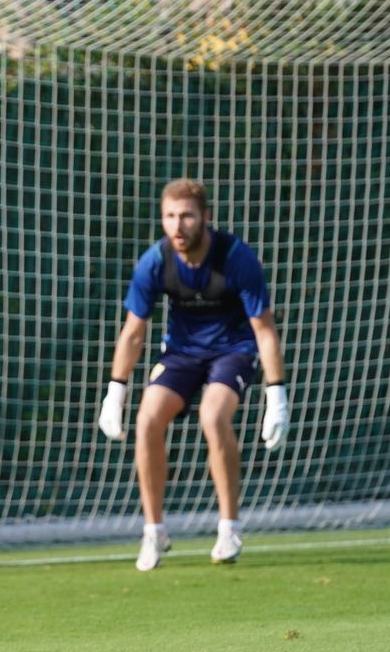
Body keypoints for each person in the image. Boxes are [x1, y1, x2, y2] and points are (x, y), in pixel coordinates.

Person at [98, 178, 289, 572]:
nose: (177, 225)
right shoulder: (155, 260)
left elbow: (264, 330)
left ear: (205, 217)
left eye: (186, 215)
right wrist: (115, 392)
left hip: (233, 351)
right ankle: (154, 532)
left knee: (213, 417)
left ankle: (229, 527)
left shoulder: (237, 258)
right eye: (169, 216)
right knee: (147, 419)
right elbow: (134, 331)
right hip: (182, 354)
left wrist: (277, 396)